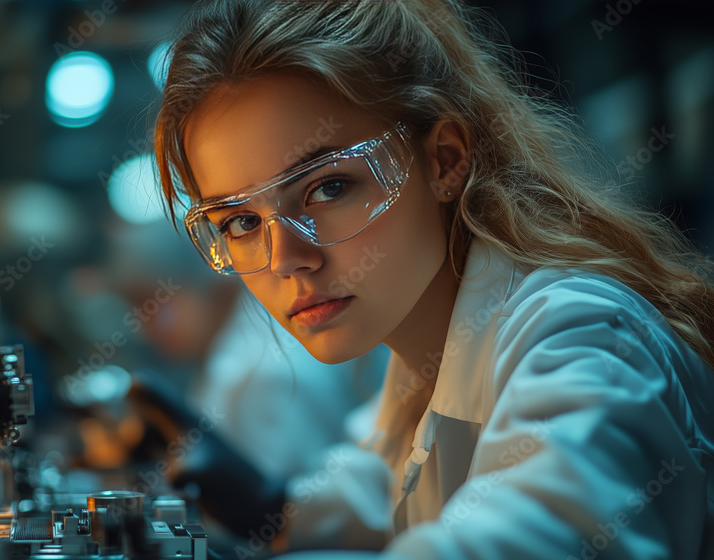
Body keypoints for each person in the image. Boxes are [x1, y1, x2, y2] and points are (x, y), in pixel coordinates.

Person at [151, 0, 714, 558]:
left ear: (444, 159)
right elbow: (382, 483)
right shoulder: (426, 363)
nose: (285, 259)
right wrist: (269, 507)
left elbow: (534, 533)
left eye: (327, 188)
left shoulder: (583, 335)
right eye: (241, 222)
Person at [106, 221, 393, 550]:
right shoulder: (227, 353)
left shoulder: (263, 375)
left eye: (151, 304)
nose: (144, 328)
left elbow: (287, 532)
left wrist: (265, 510)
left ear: (213, 282)